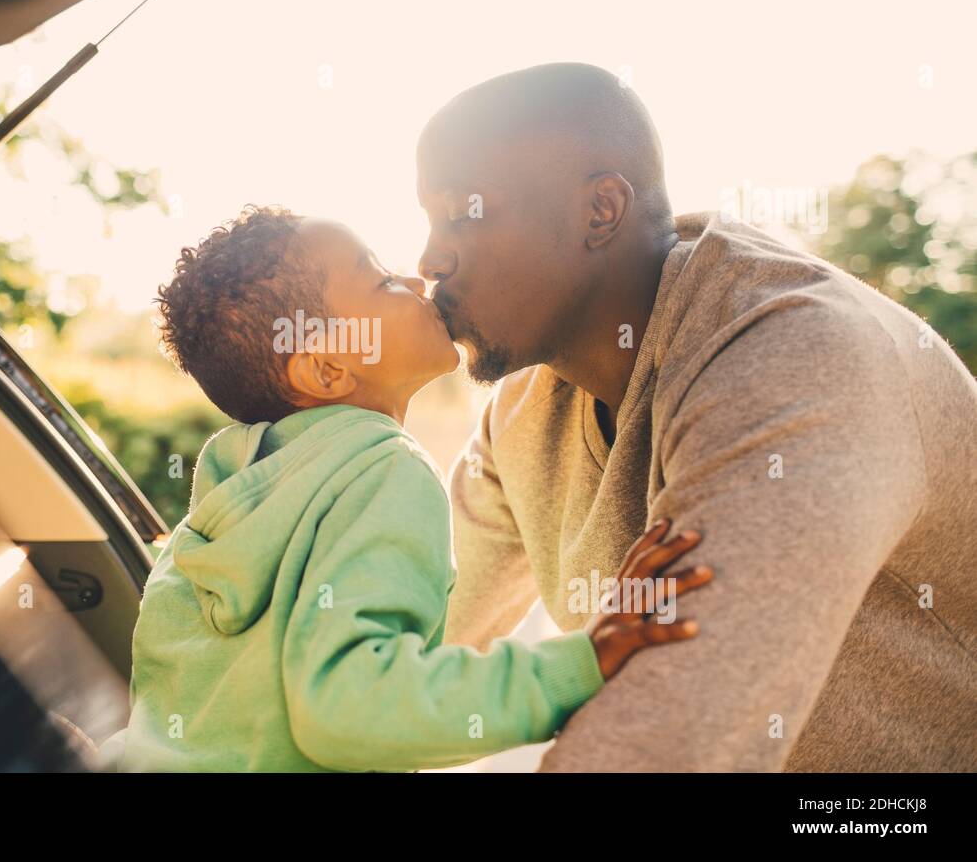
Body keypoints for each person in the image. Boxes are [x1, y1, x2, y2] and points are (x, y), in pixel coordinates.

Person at [416, 62, 977, 771]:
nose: (430, 257)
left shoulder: (795, 353)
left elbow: (665, 743)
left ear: (600, 210)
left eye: (462, 213)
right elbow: (413, 648)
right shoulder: (525, 407)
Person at [117, 205, 710, 772]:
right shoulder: (380, 469)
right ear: (327, 368)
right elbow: (348, 707)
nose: (415, 278)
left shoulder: (227, 502)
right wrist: (581, 663)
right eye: (379, 280)